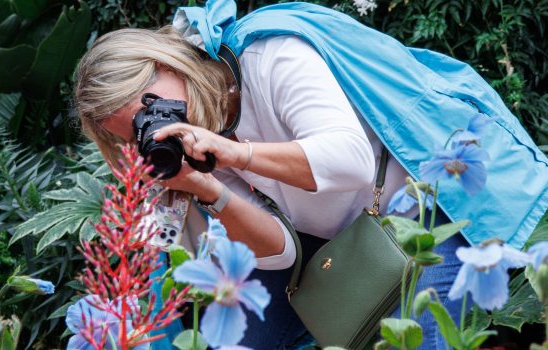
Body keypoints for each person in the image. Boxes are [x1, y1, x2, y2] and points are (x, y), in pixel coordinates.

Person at [73, 1, 548, 348]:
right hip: (336, 239)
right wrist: (210, 190)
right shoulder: (199, 133)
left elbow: (350, 160)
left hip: (426, 207)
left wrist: (235, 155)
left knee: (414, 341)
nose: (154, 130)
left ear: (167, 64)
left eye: (150, 112)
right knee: (236, 340)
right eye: (135, 134)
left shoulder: (271, 55)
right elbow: (278, 254)